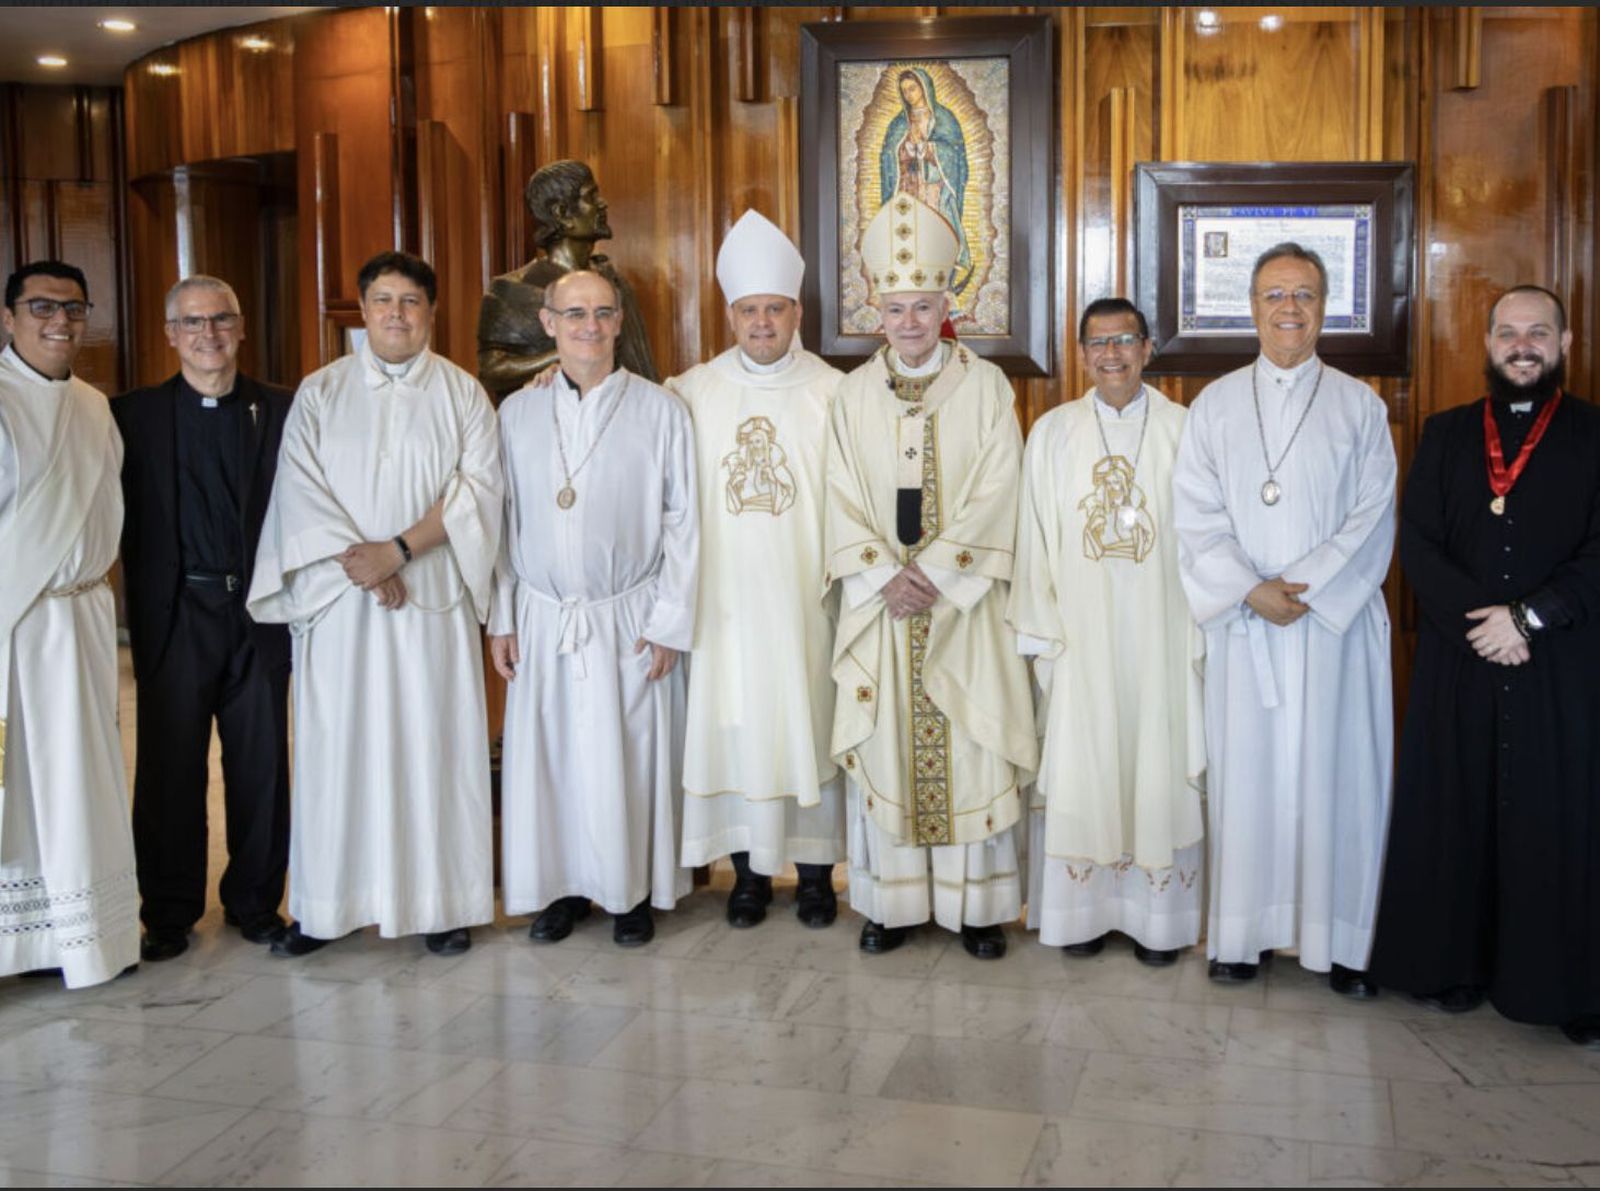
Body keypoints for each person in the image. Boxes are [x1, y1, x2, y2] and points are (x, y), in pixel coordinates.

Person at [247, 251, 502, 958]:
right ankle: (327, 907)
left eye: (411, 301)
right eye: (383, 300)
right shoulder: (321, 391)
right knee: (339, 750)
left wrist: (400, 550)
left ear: (431, 311)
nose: (396, 313)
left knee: (435, 746)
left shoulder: (462, 393)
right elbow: (299, 489)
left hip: (428, 597)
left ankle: (442, 904)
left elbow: (475, 491)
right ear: (363, 310)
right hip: (342, 601)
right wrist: (361, 561)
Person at [1369, 285, 1600, 1047]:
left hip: (1559, 660)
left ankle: (1565, 984)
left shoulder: (1595, 435)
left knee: (1558, 817)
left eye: (1538, 332)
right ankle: (1452, 965)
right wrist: (1485, 622)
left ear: (1564, 344)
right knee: (1456, 807)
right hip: (1463, 657)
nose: (1522, 344)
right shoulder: (1445, 433)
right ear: (1489, 342)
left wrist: (1529, 616)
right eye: (1509, 332)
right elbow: (1418, 542)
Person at [1172, 242, 1396, 994]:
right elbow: (1195, 516)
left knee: (1341, 781)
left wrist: (1308, 589)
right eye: (1274, 295)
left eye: (1303, 294)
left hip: (1334, 628)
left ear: (1324, 307)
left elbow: (1372, 515)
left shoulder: (1361, 406)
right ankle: (1243, 935)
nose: (1289, 308)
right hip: (1247, 627)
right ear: (1252, 307)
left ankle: (1341, 945)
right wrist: (1249, 589)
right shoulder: (1216, 404)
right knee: (1251, 780)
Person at [826, 193, 1036, 960]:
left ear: (949, 304)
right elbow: (839, 493)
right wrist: (884, 575)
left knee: (970, 737)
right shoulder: (852, 396)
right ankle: (894, 905)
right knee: (889, 743)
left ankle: (976, 912)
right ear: (875, 310)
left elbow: (998, 488)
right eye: (895, 308)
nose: (909, 321)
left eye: (922, 306)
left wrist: (939, 575)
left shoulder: (985, 389)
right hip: (884, 608)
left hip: (961, 607)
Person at [489, 269, 697, 947]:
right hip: (546, 613)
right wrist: (505, 615)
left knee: (626, 757)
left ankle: (629, 891)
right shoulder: (518, 412)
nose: (589, 326)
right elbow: (504, 523)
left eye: (603, 313)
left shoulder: (660, 409)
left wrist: (669, 622)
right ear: (548, 322)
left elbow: (682, 522)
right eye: (574, 313)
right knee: (551, 760)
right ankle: (562, 890)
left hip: (626, 615)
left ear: (618, 323)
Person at [1009, 297, 1205, 965]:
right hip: (1081, 638)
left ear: (1148, 348)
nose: (1112, 354)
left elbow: (1205, 539)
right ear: (1082, 354)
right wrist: (1041, 633)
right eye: (1098, 343)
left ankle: (1159, 922)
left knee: (1157, 755)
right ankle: (1081, 912)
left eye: (1125, 340)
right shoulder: (1053, 433)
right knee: (1085, 762)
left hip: (1163, 632)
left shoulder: (1186, 430)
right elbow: (1032, 540)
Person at [669, 210, 845, 929]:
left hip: (809, 603)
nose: (762, 321)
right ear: (730, 313)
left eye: (775, 308)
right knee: (735, 727)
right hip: (724, 605)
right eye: (749, 310)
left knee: (808, 727)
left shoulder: (836, 393)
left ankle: (813, 877)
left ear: (796, 312)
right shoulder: (689, 393)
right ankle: (744, 875)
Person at [114, 275, 293, 962]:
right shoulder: (130, 415)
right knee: (168, 768)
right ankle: (167, 909)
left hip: (258, 612)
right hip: (176, 612)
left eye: (221, 320)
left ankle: (255, 900)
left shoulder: (283, 408)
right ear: (170, 334)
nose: (208, 334)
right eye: (192, 323)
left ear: (241, 327)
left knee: (260, 765)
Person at [0, 260, 139, 987]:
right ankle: (16, 946)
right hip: (14, 625)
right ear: (9, 316)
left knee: (80, 777)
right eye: (42, 306)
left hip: (82, 616)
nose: (60, 320)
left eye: (74, 308)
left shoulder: (93, 404)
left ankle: (83, 938)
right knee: (19, 784)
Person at [477, 159, 658, 399]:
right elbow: (491, 369)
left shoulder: (613, 282)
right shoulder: (513, 289)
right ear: (561, 214)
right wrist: (569, 352)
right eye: (591, 197)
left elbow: (640, 366)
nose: (602, 204)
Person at [878, 68, 971, 296]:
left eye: (912, 88)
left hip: (935, 190)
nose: (909, 95)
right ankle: (911, 289)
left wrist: (931, 149)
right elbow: (888, 157)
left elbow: (957, 156)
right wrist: (904, 151)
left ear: (924, 87)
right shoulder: (899, 124)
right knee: (911, 236)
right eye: (904, 91)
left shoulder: (944, 119)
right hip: (909, 188)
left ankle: (943, 291)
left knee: (939, 236)